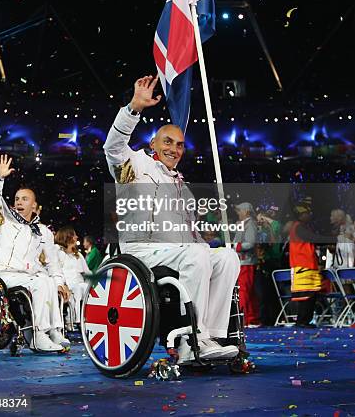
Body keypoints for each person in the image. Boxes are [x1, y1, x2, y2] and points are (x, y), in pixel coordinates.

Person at [103, 75, 240, 364]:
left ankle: (210, 335)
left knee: (227, 257)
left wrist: (205, 243)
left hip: (176, 251)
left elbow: (191, 233)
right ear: (154, 143)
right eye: (167, 141)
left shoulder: (182, 186)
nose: (173, 149)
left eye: (179, 145)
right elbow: (112, 147)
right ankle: (191, 341)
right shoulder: (135, 164)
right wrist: (133, 109)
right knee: (196, 256)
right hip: (141, 251)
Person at [0, 150, 70, 351]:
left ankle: (54, 330)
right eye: (17, 199)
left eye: (24, 199)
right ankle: (38, 335)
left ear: (35, 206)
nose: (19, 202)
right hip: (4, 275)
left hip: (29, 276)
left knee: (47, 280)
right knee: (40, 282)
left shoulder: (44, 231)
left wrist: (60, 283)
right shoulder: (6, 221)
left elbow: (53, 263)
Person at [289, 204, 323, 328]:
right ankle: (302, 321)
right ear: (301, 215)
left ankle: (304, 320)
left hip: (306, 263)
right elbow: (314, 238)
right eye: (307, 213)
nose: (309, 215)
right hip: (303, 263)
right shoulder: (299, 228)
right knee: (306, 294)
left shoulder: (299, 227)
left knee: (310, 294)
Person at [233, 203, 261, 327]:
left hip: (247, 262)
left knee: (244, 290)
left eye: (240, 211)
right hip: (242, 262)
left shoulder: (250, 225)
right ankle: (251, 318)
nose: (238, 213)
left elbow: (250, 243)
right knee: (246, 291)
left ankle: (246, 318)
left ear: (246, 212)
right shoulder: (243, 224)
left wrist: (237, 246)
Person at [55, 226, 90, 325]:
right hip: (66, 285)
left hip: (79, 284)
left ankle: (88, 318)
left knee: (85, 287)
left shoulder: (78, 255)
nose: (76, 237)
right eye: (74, 235)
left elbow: (87, 272)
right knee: (76, 289)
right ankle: (74, 320)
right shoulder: (58, 253)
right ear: (68, 237)